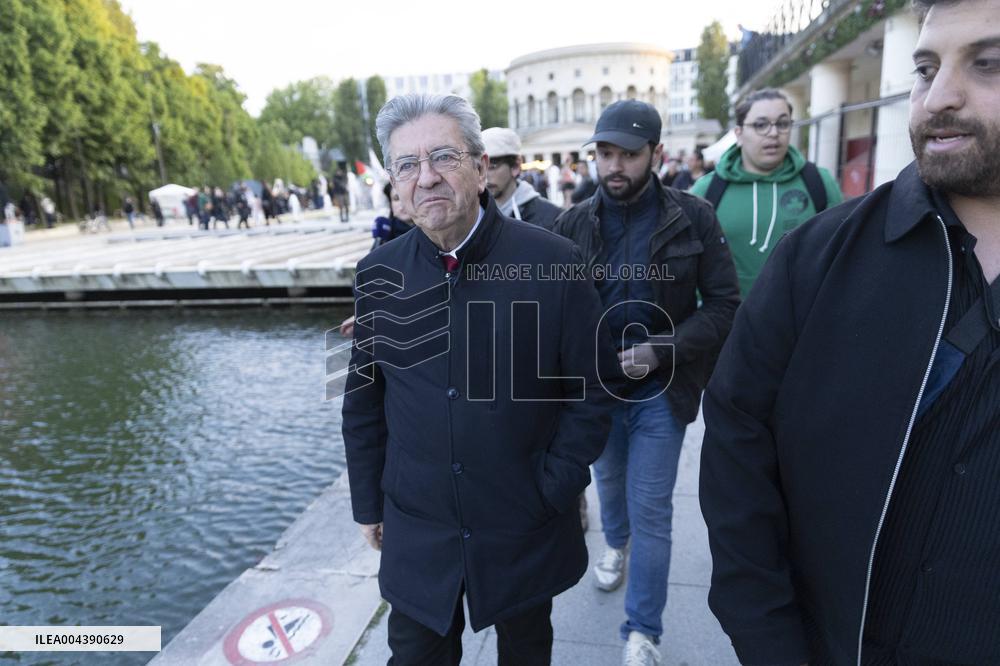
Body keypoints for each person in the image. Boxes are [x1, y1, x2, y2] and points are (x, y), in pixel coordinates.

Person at [699, 0, 1000, 664]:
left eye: (988, 64)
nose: (939, 97)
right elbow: (736, 441)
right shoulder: (820, 256)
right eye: (925, 68)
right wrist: (769, 639)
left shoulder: (815, 184)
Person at [341, 93, 621, 665]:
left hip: (522, 520)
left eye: (442, 157)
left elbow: (593, 392)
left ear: (479, 167)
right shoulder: (377, 273)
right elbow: (362, 398)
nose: (426, 178)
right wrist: (368, 502)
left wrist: (553, 485)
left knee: (525, 652)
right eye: (407, 165)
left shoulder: (555, 262)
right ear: (394, 183)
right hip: (418, 526)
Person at [554, 99, 740, 666]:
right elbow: (548, 307)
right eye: (604, 153)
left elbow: (725, 304)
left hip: (664, 389)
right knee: (610, 488)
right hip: (598, 392)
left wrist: (660, 351)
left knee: (652, 506)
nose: (613, 165)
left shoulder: (694, 216)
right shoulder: (572, 222)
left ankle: (643, 633)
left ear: (655, 154)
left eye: (627, 155)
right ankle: (615, 543)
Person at [690, 88, 844, 297]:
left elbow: (841, 255)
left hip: (803, 322)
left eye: (782, 123)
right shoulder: (706, 190)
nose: (773, 133)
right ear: (739, 134)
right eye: (760, 125)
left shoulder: (820, 182)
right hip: (729, 324)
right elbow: (690, 263)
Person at [482, 127, 562, 230]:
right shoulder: (470, 216)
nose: (483, 175)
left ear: (515, 166)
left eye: (492, 166)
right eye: (478, 167)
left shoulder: (552, 217)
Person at [370, 182, 414, 248]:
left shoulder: (430, 231)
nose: (402, 204)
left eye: (406, 197)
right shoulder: (385, 231)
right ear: (391, 204)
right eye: (396, 199)